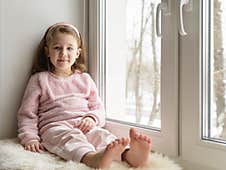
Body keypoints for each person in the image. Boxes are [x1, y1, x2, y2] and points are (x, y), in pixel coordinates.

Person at [17, 22, 152, 169]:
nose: (63, 53)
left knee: (101, 135)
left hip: (83, 124)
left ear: (77, 53)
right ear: (47, 51)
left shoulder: (84, 79)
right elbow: (27, 114)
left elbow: (98, 107)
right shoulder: (39, 79)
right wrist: (30, 138)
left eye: (69, 48)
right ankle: (92, 158)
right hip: (55, 127)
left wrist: (91, 118)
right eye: (57, 48)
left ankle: (129, 155)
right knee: (70, 140)